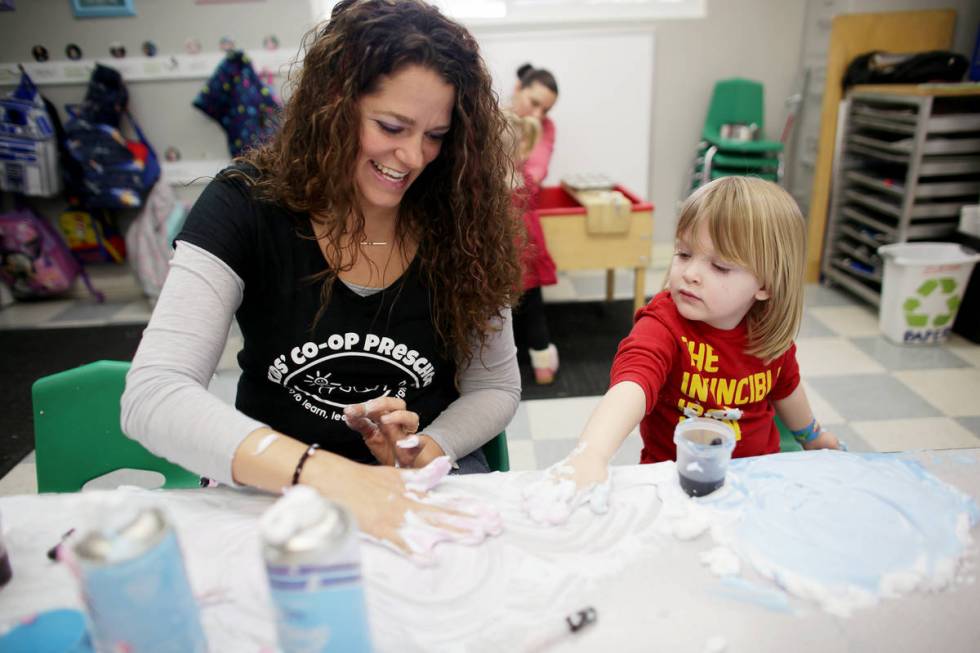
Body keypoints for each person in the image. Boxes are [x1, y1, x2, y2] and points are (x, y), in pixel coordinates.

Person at [121, 0, 523, 561]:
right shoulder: (244, 205)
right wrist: (326, 474)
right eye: (390, 126)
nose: (412, 156)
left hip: (417, 477)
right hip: (275, 476)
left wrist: (424, 449)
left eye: (435, 135)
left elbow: (496, 388)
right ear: (334, 105)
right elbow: (153, 396)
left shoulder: (464, 215)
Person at [522, 177, 843, 524]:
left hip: (755, 481)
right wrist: (592, 453)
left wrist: (813, 436)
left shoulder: (767, 334)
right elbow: (633, 384)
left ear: (765, 285)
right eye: (683, 254)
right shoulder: (663, 325)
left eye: (719, 266)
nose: (690, 273)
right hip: (672, 485)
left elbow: (786, 387)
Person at [508, 63, 561, 384]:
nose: (539, 113)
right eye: (535, 102)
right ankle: (532, 361)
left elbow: (537, 171)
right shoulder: (494, 118)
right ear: (518, 89)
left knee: (529, 300)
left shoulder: (542, 128)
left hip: (519, 232)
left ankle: (539, 361)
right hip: (507, 232)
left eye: (546, 109)